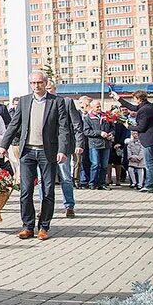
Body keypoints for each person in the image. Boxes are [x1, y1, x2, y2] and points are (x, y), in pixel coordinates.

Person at [0, 70, 69, 240]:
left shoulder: (57, 102)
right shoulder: (24, 101)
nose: (36, 86)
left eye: (40, 83)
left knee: (48, 190)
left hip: (47, 152)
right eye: (33, 83)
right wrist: (3, 146)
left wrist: (62, 150)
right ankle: (27, 226)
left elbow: (63, 128)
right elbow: (14, 125)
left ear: (45, 83)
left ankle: (44, 227)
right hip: (27, 152)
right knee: (26, 191)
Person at [112, 90, 153, 194]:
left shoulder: (144, 110)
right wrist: (118, 98)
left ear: (138, 99)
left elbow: (141, 127)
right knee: (149, 163)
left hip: (149, 138)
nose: (134, 101)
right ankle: (149, 185)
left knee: (149, 164)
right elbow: (132, 107)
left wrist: (128, 126)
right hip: (152, 137)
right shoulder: (147, 106)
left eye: (134, 98)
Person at [50, 82, 84, 218]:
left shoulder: (67, 102)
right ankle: (44, 206)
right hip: (46, 148)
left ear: (54, 89)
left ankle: (69, 205)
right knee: (44, 179)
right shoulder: (40, 103)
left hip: (63, 146)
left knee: (65, 177)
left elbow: (76, 124)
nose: (47, 91)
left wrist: (79, 143)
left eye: (49, 88)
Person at [82, 99, 114, 191]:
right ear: (92, 107)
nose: (99, 108)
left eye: (100, 106)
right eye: (97, 106)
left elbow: (112, 127)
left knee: (104, 165)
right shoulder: (88, 117)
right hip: (94, 144)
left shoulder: (106, 116)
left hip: (106, 144)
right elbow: (86, 131)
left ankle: (102, 183)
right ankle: (92, 183)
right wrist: (99, 133)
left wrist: (111, 133)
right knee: (95, 164)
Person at [73, 96, 93, 189]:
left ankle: (89, 180)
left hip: (91, 141)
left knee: (89, 161)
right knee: (79, 161)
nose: (83, 106)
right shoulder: (76, 113)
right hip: (80, 140)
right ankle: (81, 180)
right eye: (81, 103)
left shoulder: (92, 114)